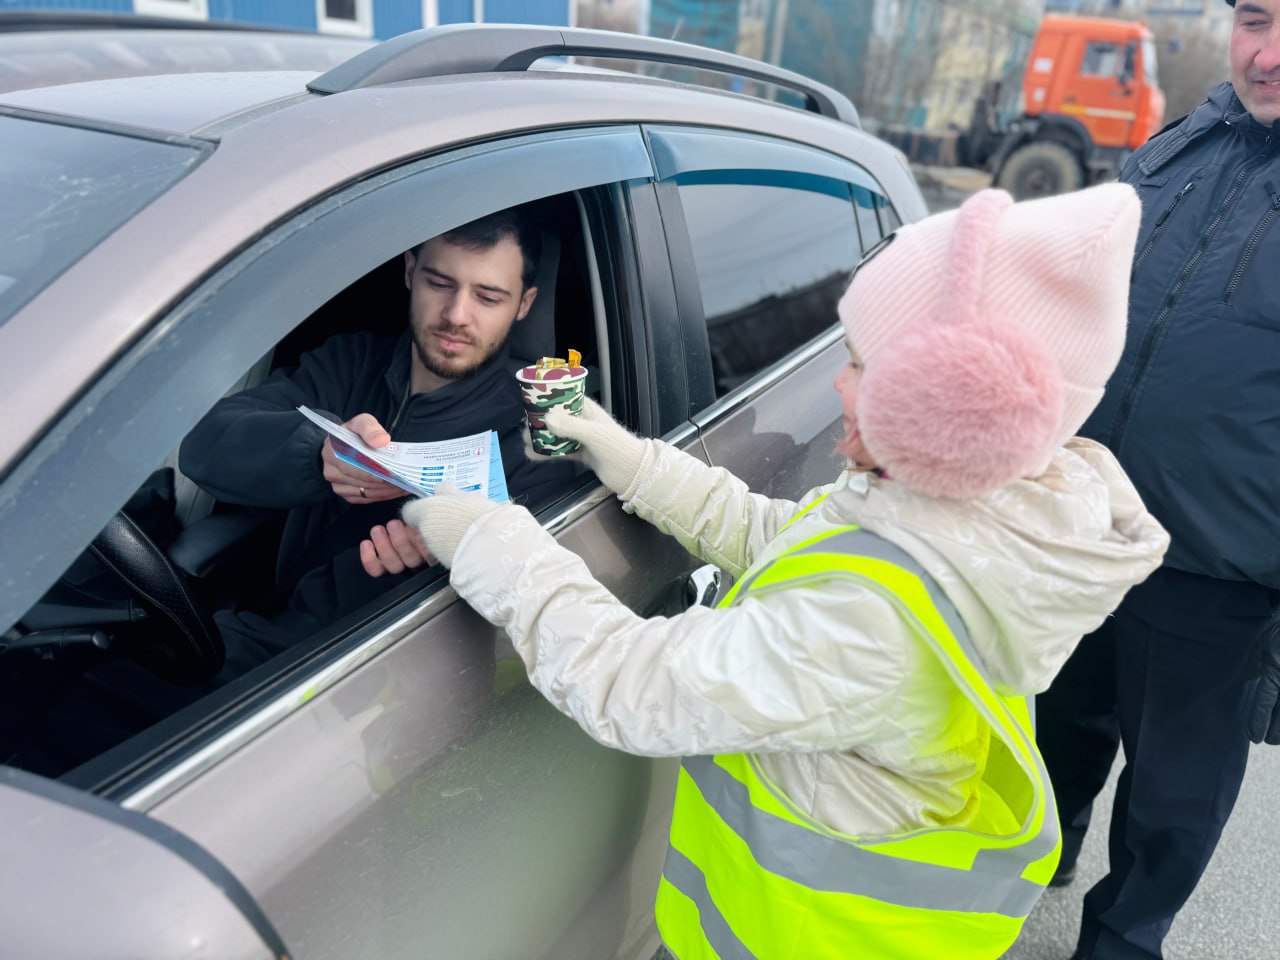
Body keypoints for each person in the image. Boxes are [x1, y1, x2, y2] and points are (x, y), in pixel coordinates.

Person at [388, 185, 1169, 959]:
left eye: (863, 366)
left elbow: (631, 684)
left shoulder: (874, 628)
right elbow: (782, 539)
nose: (838, 382)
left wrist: (490, 536)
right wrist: (623, 455)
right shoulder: (956, 518)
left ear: (948, 406)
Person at [1032, 3, 1280, 957]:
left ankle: (1124, 940)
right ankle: (1043, 853)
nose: (1265, 55)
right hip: (1087, 518)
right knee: (1060, 717)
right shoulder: (1181, 144)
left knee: (1176, 789)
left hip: (1221, 561)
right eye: (1253, 20)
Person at [180, 207, 573, 673]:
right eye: (440, 283)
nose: (456, 315)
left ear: (524, 305)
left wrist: (439, 563)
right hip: (246, 629)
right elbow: (205, 442)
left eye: (488, 297)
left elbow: (529, 601)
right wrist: (316, 452)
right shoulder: (351, 361)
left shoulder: (538, 428)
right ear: (409, 270)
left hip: (360, 671)